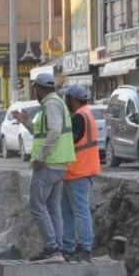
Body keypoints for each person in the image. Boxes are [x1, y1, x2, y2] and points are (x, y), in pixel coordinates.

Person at [16, 69, 74, 263]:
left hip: (49, 164)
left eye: (35, 89)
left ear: (40, 89)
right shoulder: (55, 103)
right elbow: (44, 133)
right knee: (53, 207)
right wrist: (26, 123)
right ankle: (58, 248)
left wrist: (41, 156)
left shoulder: (51, 104)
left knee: (37, 205)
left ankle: (52, 248)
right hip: (58, 164)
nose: (35, 93)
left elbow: (55, 132)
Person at [61, 85, 100, 262]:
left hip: (78, 170)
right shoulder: (87, 113)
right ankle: (69, 247)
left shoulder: (78, 117)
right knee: (69, 211)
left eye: (68, 99)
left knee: (80, 211)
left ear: (74, 99)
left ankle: (84, 248)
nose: (66, 102)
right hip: (77, 171)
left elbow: (71, 142)